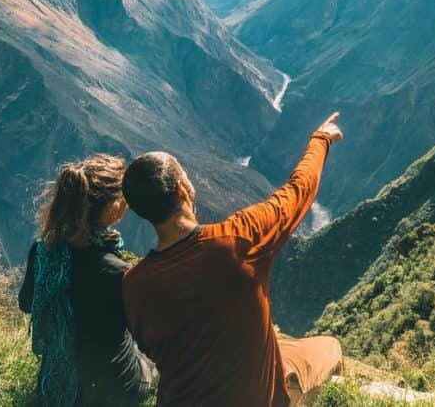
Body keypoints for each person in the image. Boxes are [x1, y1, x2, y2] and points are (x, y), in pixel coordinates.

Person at [121, 113, 346, 407]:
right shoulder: (238, 240)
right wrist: (321, 139)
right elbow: (298, 190)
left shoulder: (133, 285)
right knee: (330, 347)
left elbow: (152, 347)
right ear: (181, 189)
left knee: (276, 342)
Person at [20, 155, 153, 407]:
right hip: (114, 389)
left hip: (59, 378)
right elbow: (146, 331)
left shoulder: (43, 253)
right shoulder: (117, 271)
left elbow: (27, 303)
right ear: (112, 207)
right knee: (153, 365)